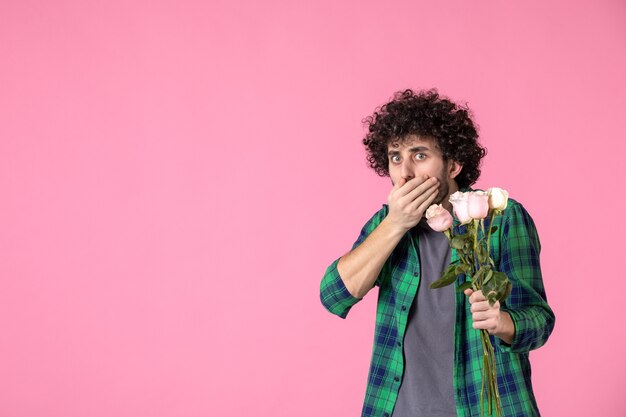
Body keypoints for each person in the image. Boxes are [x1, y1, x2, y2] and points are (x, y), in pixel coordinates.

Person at [319, 89, 555, 417]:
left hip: (485, 407)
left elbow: (539, 320)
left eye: (419, 155)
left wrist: (501, 321)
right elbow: (333, 295)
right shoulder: (385, 225)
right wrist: (395, 224)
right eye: (395, 157)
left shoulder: (500, 217)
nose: (404, 173)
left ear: (454, 164)